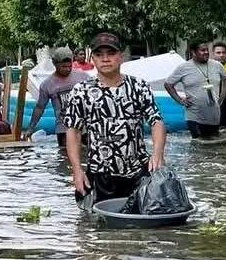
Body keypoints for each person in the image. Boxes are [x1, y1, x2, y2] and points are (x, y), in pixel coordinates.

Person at [61, 32, 166, 206]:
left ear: (121, 57)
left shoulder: (138, 87)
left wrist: (158, 153)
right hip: (101, 173)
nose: (105, 59)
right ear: (93, 59)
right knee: (101, 226)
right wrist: (77, 170)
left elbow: (156, 121)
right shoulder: (81, 91)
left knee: (146, 222)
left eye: (111, 54)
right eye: (99, 55)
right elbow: (73, 131)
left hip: (138, 171)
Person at [25, 47, 90, 145]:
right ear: (55, 64)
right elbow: (40, 107)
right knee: (64, 156)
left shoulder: (83, 77)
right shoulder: (47, 84)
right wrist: (30, 128)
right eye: (64, 67)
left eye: (70, 66)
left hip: (84, 126)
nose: (67, 69)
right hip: (63, 128)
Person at [165, 40, 226, 139]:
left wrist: (222, 96)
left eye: (207, 50)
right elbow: (168, 84)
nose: (206, 52)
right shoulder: (184, 67)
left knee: (213, 146)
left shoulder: (217, 65)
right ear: (193, 52)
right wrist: (179, 100)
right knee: (200, 144)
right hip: (194, 116)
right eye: (202, 50)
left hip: (213, 115)